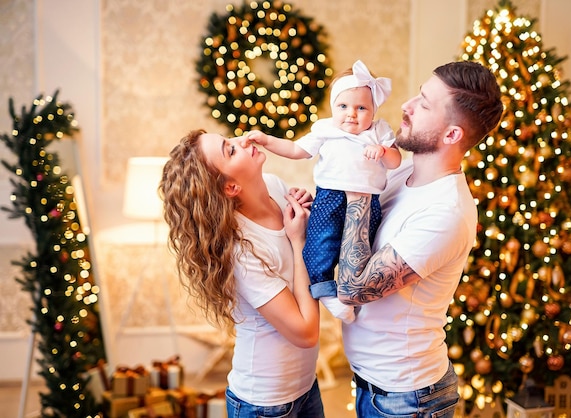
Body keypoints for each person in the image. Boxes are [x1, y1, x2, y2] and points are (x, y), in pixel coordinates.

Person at [335, 61, 504, 417]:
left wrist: (358, 188)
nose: (406, 105)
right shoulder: (404, 170)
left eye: (424, 104)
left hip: (408, 399)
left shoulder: (447, 212)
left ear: (452, 135)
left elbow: (354, 289)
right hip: (374, 385)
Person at [159, 130, 324, 418]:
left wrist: (305, 214)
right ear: (231, 187)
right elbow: (306, 332)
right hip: (265, 404)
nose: (243, 141)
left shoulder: (274, 187)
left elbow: (302, 268)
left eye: (230, 140)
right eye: (230, 150)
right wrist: (298, 242)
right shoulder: (240, 248)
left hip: (306, 386)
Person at [246, 60, 402, 324]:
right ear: (333, 108)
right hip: (329, 197)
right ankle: (325, 291)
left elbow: (396, 161)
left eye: (361, 108)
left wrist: (384, 152)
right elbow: (296, 150)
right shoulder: (325, 130)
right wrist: (267, 140)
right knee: (319, 244)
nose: (351, 114)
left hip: (368, 201)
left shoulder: (379, 131)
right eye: (343, 106)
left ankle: (351, 291)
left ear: (373, 111)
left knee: (360, 249)